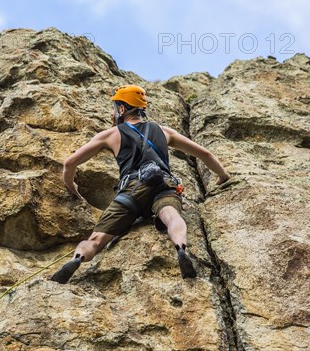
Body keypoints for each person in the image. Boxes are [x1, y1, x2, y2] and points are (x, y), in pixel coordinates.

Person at [50, 85, 231, 284]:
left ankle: (78, 258)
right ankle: (180, 247)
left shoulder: (110, 135)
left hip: (131, 191)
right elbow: (205, 154)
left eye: (115, 107)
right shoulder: (163, 131)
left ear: (121, 109)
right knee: (172, 217)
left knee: (97, 239)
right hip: (162, 184)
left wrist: (71, 186)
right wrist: (222, 175)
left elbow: (69, 163)